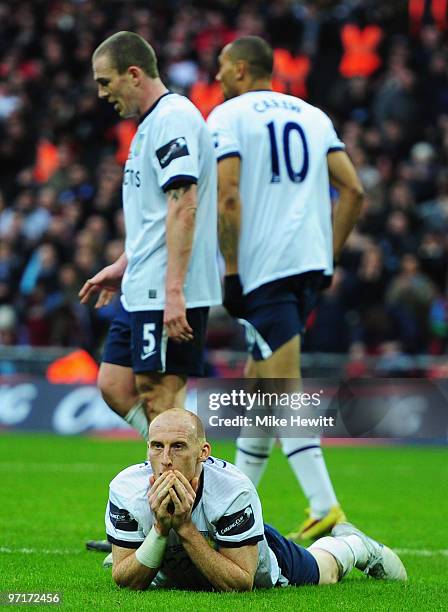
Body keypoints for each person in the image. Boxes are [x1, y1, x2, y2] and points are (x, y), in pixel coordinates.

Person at [206, 36, 364, 540]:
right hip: (307, 266)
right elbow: (355, 191)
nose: (216, 77)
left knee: (279, 387)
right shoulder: (313, 116)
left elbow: (228, 198)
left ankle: (325, 506)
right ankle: (233, 504)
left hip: (264, 268)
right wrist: (330, 254)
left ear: (242, 69)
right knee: (259, 382)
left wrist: (230, 271)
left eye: (222, 68)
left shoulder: (227, 118)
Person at [79, 31, 221, 437]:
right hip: (143, 281)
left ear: (134, 74)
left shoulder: (172, 118)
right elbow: (157, 216)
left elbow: (184, 205)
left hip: (167, 287)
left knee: (160, 396)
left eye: (106, 81)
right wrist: (123, 265)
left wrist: (175, 290)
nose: (103, 93)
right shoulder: (148, 126)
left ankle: (183, 486)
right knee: (115, 384)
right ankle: (181, 463)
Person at [104, 409, 407, 591]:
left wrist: (183, 528)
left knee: (323, 572)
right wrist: (158, 530)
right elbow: (127, 581)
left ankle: (352, 544)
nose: (166, 459)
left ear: (203, 452)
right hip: (181, 560)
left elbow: (240, 584)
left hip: (254, 556)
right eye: (157, 446)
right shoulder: (125, 490)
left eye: (178, 446)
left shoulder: (232, 490)